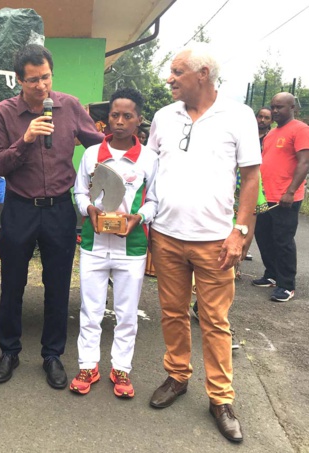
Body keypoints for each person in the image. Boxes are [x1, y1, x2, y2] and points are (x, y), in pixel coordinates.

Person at [146, 44, 260, 443]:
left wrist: (240, 231)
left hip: (215, 241)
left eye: (177, 72)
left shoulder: (239, 116)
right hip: (166, 235)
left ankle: (221, 399)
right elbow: (151, 169)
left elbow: (250, 178)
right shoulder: (164, 116)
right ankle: (177, 377)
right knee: (172, 312)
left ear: (203, 74)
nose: (169, 78)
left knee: (215, 321)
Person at [0, 44, 103, 389]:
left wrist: (126, 147)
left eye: (46, 78)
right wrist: (25, 140)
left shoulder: (68, 105)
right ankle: (9, 351)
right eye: (33, 80)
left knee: (57, 285)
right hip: (20, 208)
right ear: (19, 81)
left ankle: (52, 354)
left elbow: (97, 144)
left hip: (59, 208)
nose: (41, 86)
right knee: (12, 284)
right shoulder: (3, 112)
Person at [71, 87, 157, 398]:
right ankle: (88, 365)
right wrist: (89, 209)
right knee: (90, 311)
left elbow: (155, 202)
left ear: (139, 120)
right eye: (114, 116)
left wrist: (139, 218)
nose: (119, 121)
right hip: (94, 244)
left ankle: (121, 368)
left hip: (131, 247)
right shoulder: (92, 154)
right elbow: (79, 193)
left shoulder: (149, 159)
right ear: (106, 120)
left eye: (127, 116)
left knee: (126, 313)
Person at [253, 92, 309, 302]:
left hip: (286, 198)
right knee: (262, 234)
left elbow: (304, 162)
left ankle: (286, 285)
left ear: (292, 108)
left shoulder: (301, 129)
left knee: (282, 239)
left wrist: (291, 191)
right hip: (265, 197)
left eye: (280, 107)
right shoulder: (272, 134)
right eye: (273, 106)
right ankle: (271, 274)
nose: (275, 111)